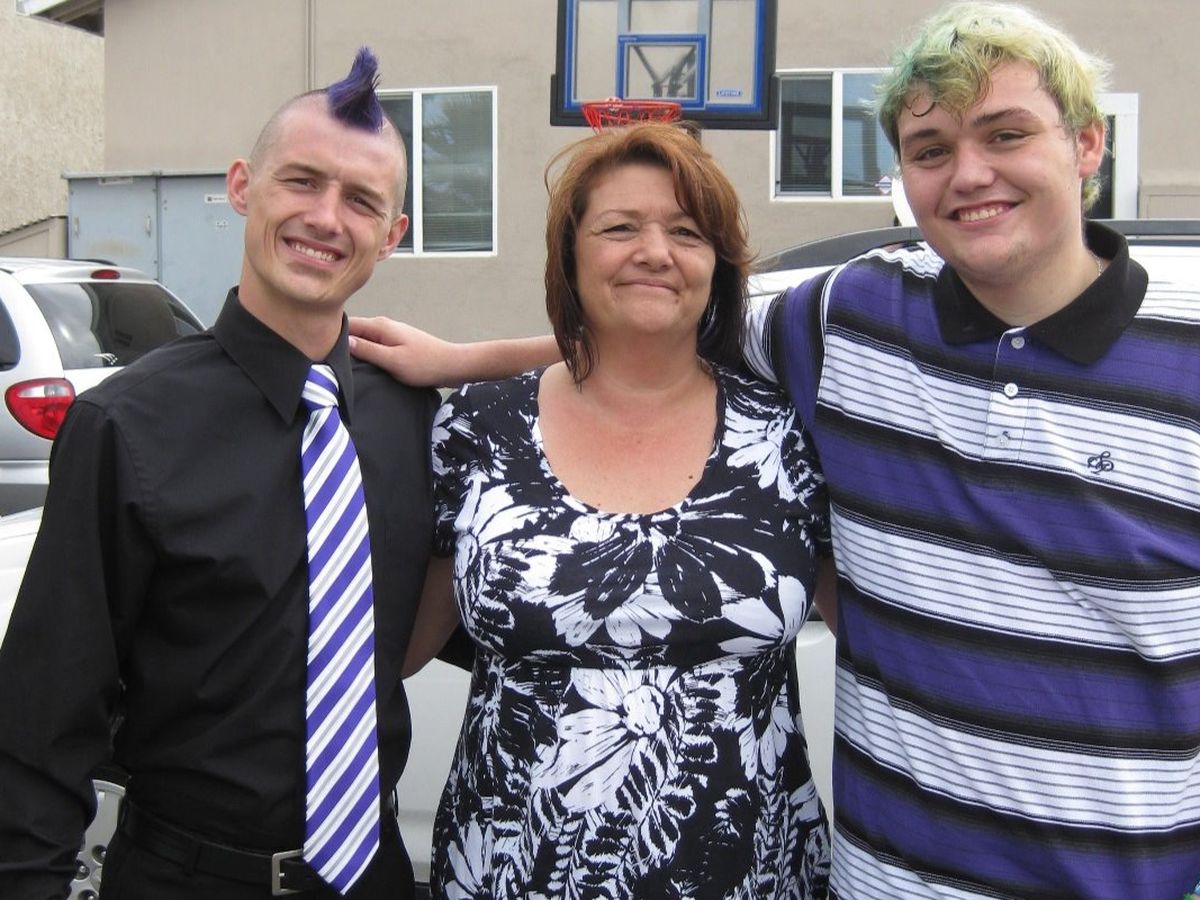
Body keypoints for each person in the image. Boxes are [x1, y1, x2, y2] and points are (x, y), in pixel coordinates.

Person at [352, 4, 1200, 898]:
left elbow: (677, 312)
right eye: (931, 149)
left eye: (1007, 133)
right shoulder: (850, 324)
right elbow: (650, 328)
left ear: (1089, 143)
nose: (970, 173)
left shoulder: (1181, 356)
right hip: (882, 882)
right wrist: (462, 361)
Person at [0, 49, 438, 899]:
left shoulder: (411, 415)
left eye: (361, 200)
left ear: (392, 235)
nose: (325, 217)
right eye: (301, 181)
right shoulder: (124, 426)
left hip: (373, 876)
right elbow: (44, 719)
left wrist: (486, 358)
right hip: (185, 876)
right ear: (243, 186)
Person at [390, 123, 833, 898]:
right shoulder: (478, 428)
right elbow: (399, 647)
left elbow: (881, 641)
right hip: (511, 876)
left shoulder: (787, 433)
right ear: (569, 257)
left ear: (718, 264)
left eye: (686, 232)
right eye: (620, 228)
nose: (655, 252)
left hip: (750, 875)